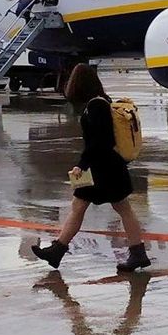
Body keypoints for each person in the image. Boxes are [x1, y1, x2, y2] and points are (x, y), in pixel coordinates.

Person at [30, 64, 151, 273]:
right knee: (83, 206)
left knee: (118, 208)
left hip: (104, 168)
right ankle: (57, 251)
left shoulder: (96, 106)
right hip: (105, 167)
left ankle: (137, 253)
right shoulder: (98, 103)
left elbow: (100, 142)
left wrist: (81, 165)